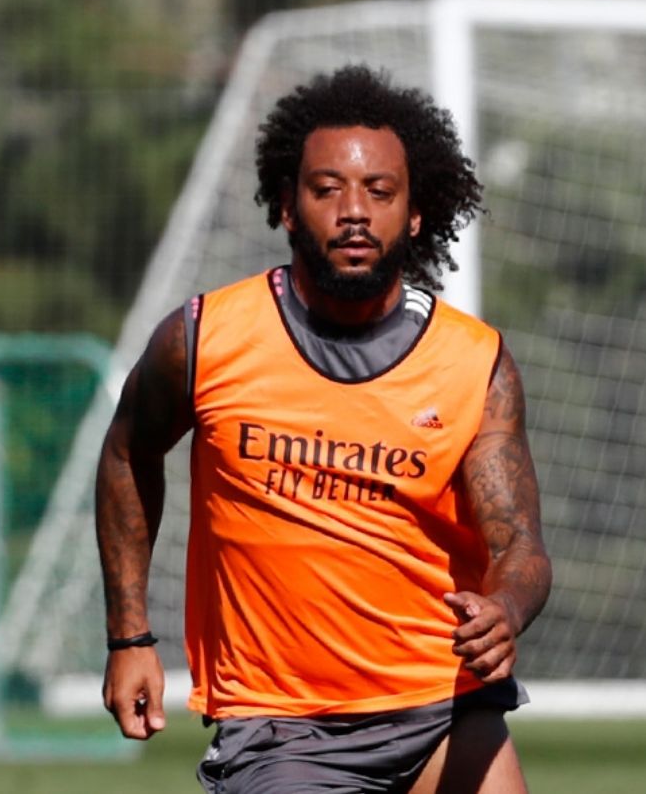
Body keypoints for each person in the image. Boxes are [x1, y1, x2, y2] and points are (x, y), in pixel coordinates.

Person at [96, 64, 552, 794]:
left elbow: (519, 544)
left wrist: (506, 608)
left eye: (380, 191)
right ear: (286, 206)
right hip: (282, 727)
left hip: (445, 707)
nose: (354, 212)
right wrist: (129, 635)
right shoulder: (204, 338)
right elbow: (127, 453)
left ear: (416, 214)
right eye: (327, 189)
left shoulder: (475, 362)